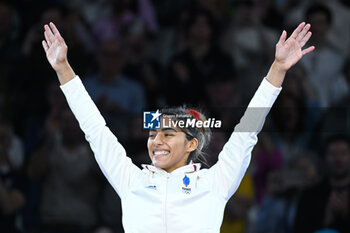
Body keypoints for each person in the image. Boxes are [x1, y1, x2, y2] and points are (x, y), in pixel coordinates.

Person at [41, 21, 314, 232]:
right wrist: (63, 68)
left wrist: (278, 69)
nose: (155, 141)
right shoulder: (131, 180)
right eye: (153, 134)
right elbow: (95, 129)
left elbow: (248, 130)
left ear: (192, 144)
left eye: (168, 134)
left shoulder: (214, 183)